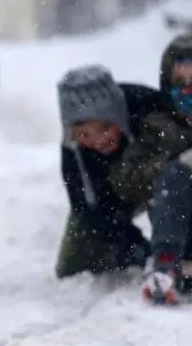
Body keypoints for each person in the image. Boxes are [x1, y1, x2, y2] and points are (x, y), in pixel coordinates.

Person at [110, 32, 192, 305]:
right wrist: (174, 165)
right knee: (175, 176)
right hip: (183, 239)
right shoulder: (157, 127)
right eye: (179, 83)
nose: (189, 90)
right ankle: (164, 270)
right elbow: (125, 181)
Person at [54, 65, 163, 279]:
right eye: (83, 134)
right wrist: (133, 245)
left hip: (161, 180)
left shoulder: (150, 108)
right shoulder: (74, 152)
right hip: (113, 194)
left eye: (105, 128)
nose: (98, 141)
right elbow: (87, 208)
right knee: (70, 268)